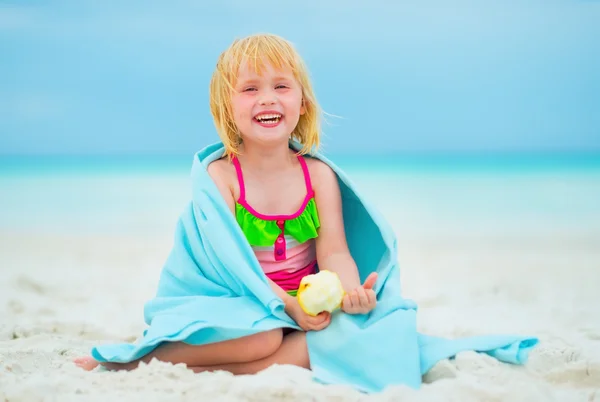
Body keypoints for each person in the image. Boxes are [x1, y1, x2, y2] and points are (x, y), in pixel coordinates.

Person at [74, 33, 378, 374]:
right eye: (250, 89)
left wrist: (351, 292)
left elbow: (334, 252)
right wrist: (288, 305)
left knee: (353, 334)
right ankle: (136, 361)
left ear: (303, 102)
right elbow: (232, 266)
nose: (267, 99)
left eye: (281, 87)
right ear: (227, 108)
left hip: (300, 305)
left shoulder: (319, 175)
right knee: (262, 339)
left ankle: (205, 369)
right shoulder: (223, 177)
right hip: (235, 301)